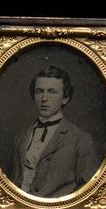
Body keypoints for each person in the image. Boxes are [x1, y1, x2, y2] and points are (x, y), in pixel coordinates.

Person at [10, 65, 97, 198]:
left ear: (65, 98)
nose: (44, 98)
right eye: (39, 91)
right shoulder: (20, 138)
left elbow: (86, 190)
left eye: (52, 91)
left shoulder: (81, 139)